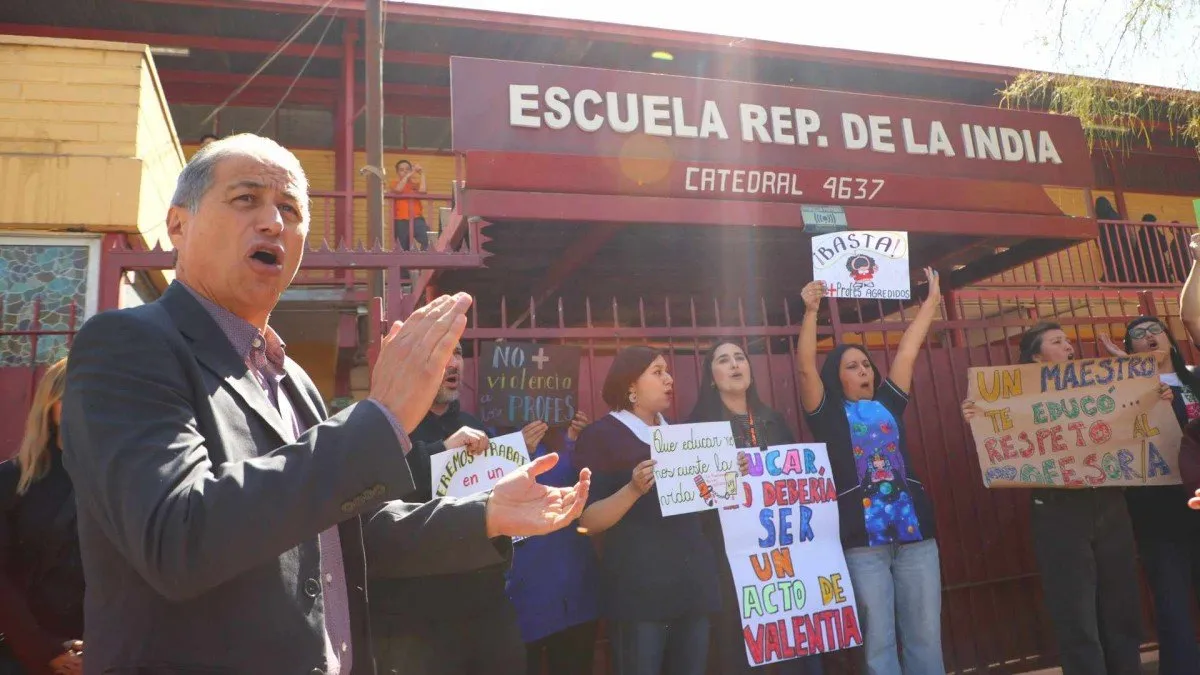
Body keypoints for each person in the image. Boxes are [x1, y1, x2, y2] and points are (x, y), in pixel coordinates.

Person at [59, 133, 591, 674]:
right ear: (178, 224)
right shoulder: (128, 344)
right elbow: (177, 534)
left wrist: (483, 516)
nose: (272, 222)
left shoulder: (290, 377)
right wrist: (378, 420)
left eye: (289, 209)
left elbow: (342, 535)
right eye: (247, 199)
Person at [963, 321, 1170, 675]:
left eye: (1068, 341)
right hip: (1058, 509)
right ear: (1035, 357)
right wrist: (977, 415)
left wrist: (1157, 394)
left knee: (1120, 604)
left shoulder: (1100, 383)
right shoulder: (1016, 398)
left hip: (1108, 502)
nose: (1068, 347)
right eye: (1057, 342)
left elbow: (1135, 409)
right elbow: (1002, 434)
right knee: (1074, 611)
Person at [797, 269, 944, 675]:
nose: (864, 370)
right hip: (863, 544)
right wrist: (811, 312)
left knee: (925, 636)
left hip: (916, 537)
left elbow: (907, 353)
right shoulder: (826, 416)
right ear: (836, 378)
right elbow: (806, 369)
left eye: (866, 364)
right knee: (878, 642)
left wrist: (930, 304)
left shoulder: (888, 404)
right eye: (852, 366)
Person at [368, 341, 544, 675]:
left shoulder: (473, 424)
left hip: (485, 604)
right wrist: (442, 451)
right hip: (422, 616)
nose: (453, 364)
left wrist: (517, 458)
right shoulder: (392, 427)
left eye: (458, 354)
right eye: (441, 354)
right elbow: (379, 493)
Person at [575, 347, 720, 675]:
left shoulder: (683, 438)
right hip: (639, 596)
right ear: (631, 386)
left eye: (667, 371)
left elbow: (705, 507)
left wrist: (725, 476)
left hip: (692, 589)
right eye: (657, 372)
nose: (669, 379)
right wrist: (633, 490)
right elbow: (587, 521)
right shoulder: (600, 436)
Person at [686, 341, 823, 675]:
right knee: (740, 647)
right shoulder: (698, 429)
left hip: (782, 555)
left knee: (792, 642)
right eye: (723, 360)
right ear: (711, 377)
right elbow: (692, 498)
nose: (734, 364)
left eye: (739, 358)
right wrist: (724, 478)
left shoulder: (774, 421)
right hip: (727, 558)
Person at [1098, 316, 1200, 675]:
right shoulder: (1125, 390)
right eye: (1137, 336)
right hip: (1157, 507)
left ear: (1170, 338)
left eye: (1154, 330)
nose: (1148, 337)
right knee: (1170, 599)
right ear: (1130, 350)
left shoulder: (1196, 377)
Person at [0, 358, 84, 675]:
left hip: (109, 650)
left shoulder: (123, 481)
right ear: (51, 405)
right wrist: (45, 649)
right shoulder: (10, 481)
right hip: (23, 654)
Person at [506, 411, 601, 675]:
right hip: (522, 595)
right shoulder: (487, 433)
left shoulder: (564, 431)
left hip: (572, 587)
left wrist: (576, 440)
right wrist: (515, 451)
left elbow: (576, 485)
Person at [392, 159, 428, 251]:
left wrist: (422, 173)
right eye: (401, 170)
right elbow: (398, 190)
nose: (404, 171)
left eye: (407, 169)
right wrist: (408, 175)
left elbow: (423, 191)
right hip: (400, 220)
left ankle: (424, 263)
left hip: (417, 218)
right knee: (402, 249)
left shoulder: (415, 185)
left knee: (426, 240)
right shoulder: (394, 183)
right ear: (397, 172)